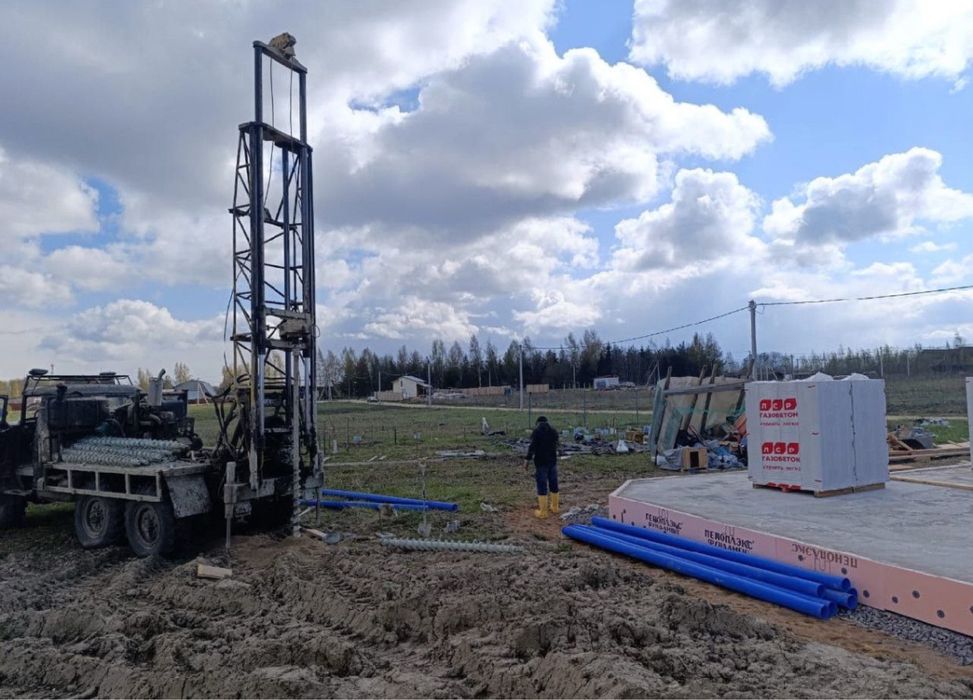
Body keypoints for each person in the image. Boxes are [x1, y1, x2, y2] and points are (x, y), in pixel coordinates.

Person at [523, 416, 559, 519]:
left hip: (541, 463)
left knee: (542, 485)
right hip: (552, 462)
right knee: (553, 483)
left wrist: (526, 460)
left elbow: (532, 447)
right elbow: (556, 445)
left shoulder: (537, 432)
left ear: (538, 423)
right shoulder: (553, 431)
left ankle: (543, 512)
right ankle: (555, 507)